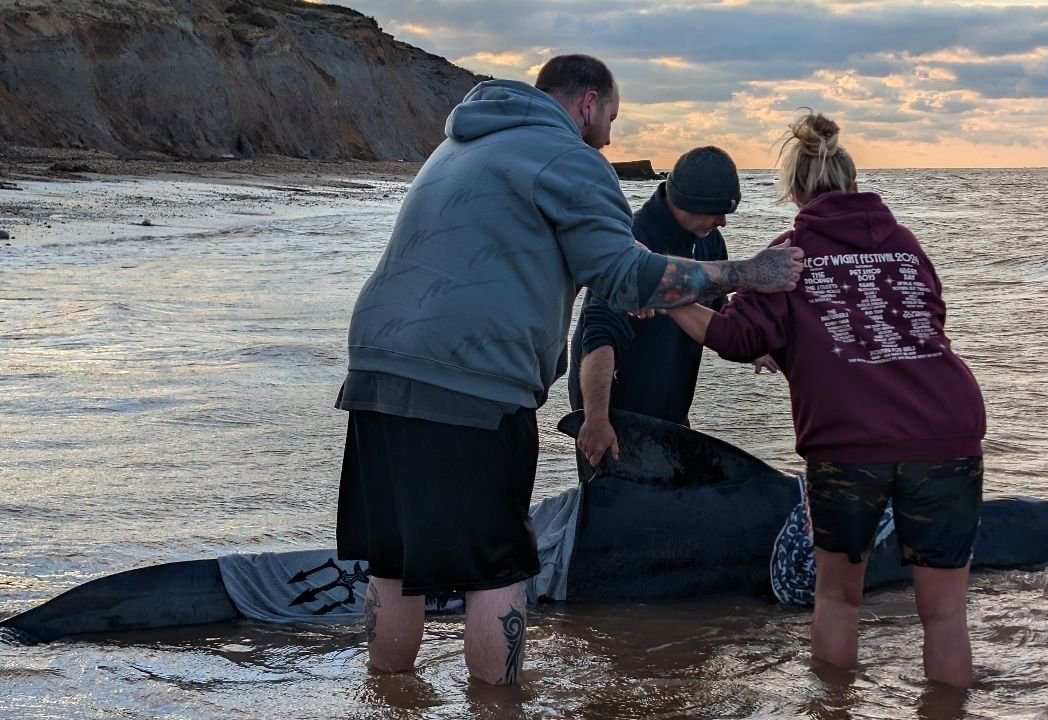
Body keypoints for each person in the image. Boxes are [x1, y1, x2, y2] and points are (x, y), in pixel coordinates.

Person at [333, 54, 804, 686]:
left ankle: (388, 700)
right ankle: (498, 706)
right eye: (611, 115)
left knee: (394, 561)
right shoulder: (570, 158)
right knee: (498, 569)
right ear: (587, 104)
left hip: (374, 367)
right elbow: (621, 275)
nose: (611, 132)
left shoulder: (459, 145)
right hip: (471, 384)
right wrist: (746, 273)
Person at [664, 112, 986, 687]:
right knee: (944, 613)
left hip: (850, 442)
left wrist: (669, 301)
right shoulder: (906, 245)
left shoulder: (793, 251)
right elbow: (917, 324)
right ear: (853, 181)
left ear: (794, 189)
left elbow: (735, 337)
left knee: (838, 599)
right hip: (948, 427)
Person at [568, 145, 777, 472]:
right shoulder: (633, 242)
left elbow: (717, 313)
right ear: (690, 204)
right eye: (718, 211)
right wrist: (595, 419)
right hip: (616, 417)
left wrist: (753, 347)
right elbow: (597, 337)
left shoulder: (708, 240)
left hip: (671, 414)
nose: (722, 221)